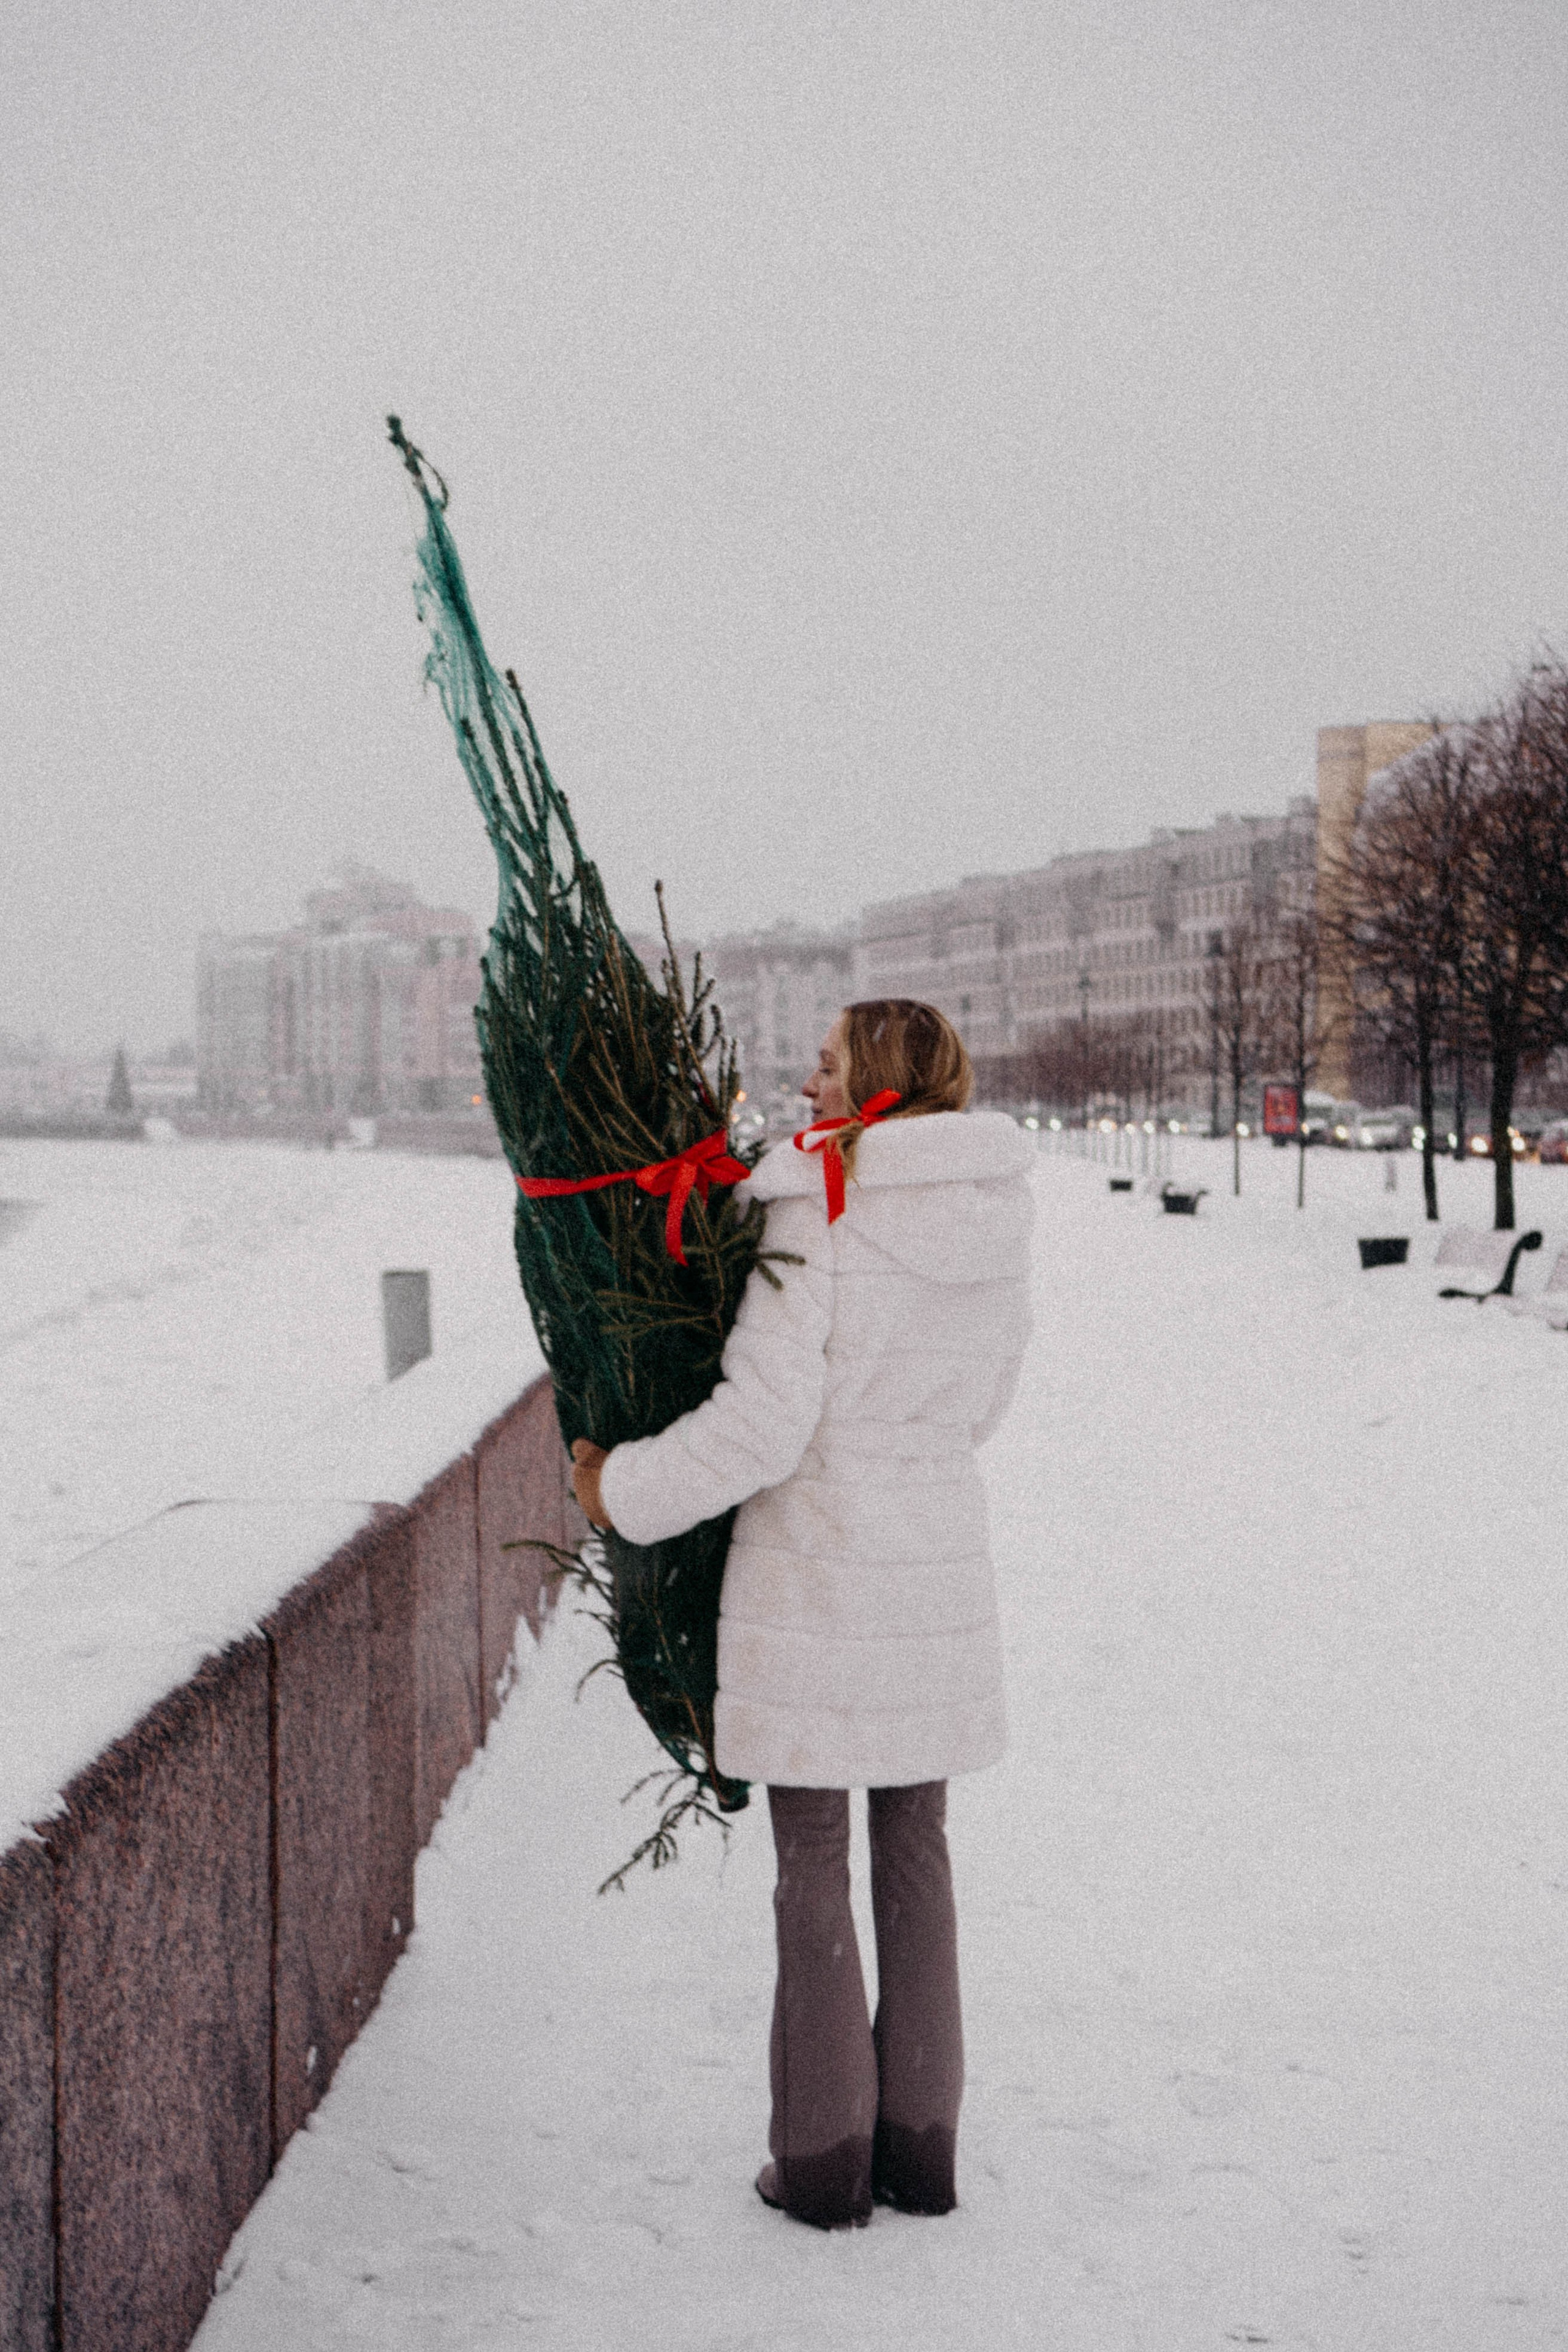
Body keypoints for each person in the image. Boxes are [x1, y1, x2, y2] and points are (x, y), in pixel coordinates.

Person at [570, 998, 1035, 2231]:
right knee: (918, 1860)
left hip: (821, 1571)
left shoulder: (818, 1205)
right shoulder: (992, 1211)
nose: (810, 1079)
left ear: (873, 1077)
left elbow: (764, 1424)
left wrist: (619, 1488)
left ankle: (823, 2165)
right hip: (933, 1565)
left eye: (827, 1061)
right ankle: (922, 2155)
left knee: (814, 1867)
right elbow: (985, 1401)